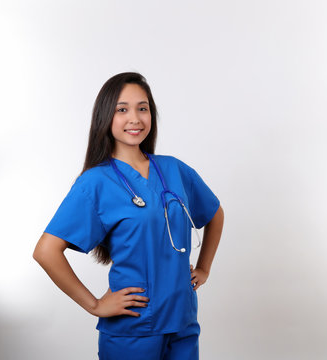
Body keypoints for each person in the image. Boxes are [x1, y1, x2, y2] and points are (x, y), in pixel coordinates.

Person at [33, 72, 224, 360]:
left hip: (183, 323)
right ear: (105, 117)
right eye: (122, 109)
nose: (135, 118)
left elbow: (215, 213)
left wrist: (204, 268)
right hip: (132, 330)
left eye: (142, 108)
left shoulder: (174, 169)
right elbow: (46, 251)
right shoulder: (95, 182)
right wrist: (95, 305)